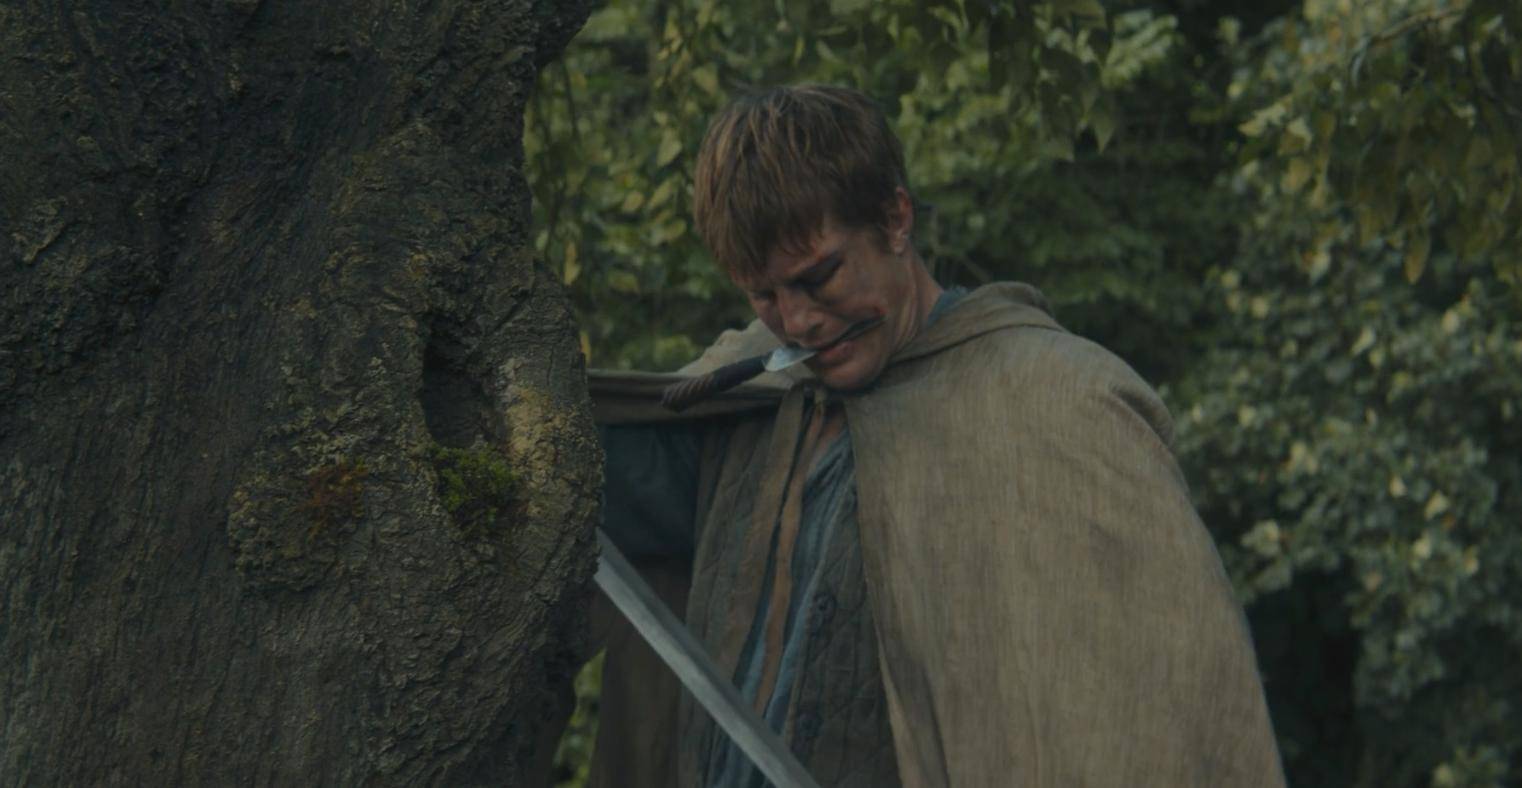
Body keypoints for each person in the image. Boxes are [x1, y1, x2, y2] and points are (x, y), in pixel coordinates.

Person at [585, 84, 1284, 787]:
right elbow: (587, 494)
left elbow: (1156, 707)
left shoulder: (1059, 406)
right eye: (765, 295)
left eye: (820, 276)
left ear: (895, 219)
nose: (797, 323)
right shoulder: (745, 402)